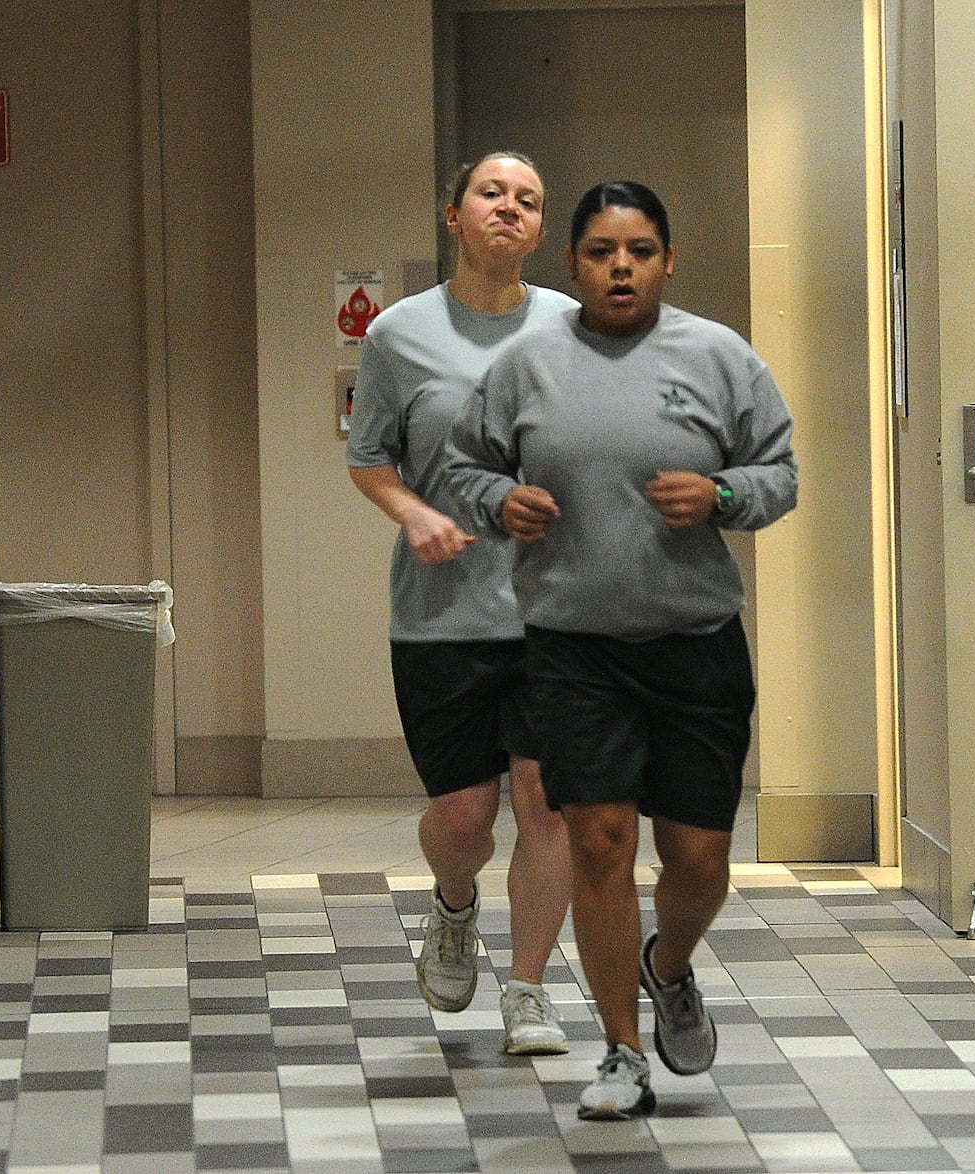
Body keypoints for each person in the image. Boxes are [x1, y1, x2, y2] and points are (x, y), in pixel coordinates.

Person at [445, 180, 799, 1119]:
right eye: (601, 251)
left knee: (698, 861)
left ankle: (668, 963)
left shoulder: (719, 356)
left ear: (667, 260)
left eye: (639, 250)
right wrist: (497, 503)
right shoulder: (528, 364)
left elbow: (780, 473)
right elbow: (465, 465)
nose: (620, 267)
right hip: (573, 648)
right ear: (574, 264)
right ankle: (621, 1053)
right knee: (600, 842)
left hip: (695, 645)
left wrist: (723, 498)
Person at [345, 151, 577, 1056]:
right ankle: (452, 903)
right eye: (492, 194)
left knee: (547, 802)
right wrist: (412, 513)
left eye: (529, 199)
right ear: (454, 215)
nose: (510, 209)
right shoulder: (398, 335)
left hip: (554, 612)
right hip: (440, 615)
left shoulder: (573, 328)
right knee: (465, 820)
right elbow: (369, 458)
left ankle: (529, 991)